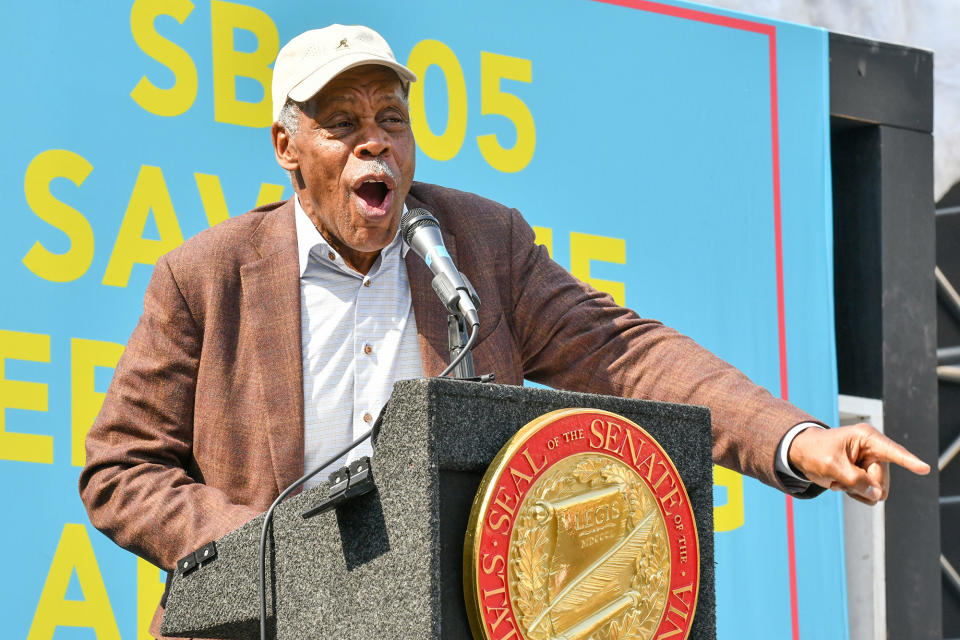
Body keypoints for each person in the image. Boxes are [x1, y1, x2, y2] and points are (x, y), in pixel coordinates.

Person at [79, 24, 929, 639]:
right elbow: (120, 469)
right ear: (287, 147)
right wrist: (268, 557)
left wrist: (799, 440)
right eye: (342, 125)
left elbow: (624, 353)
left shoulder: (478, 245)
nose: (375, 143)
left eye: (392, 120)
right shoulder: (208, 276)